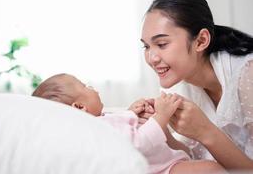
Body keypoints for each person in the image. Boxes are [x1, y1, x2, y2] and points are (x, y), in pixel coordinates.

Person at [140, 0, 253, 172]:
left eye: (161, 44)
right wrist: (165, 134)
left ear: (201, 41)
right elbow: (196, 158)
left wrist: (205, 131)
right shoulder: (177, 85)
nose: (151, 58)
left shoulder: (247, 75)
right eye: (146, 46)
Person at [32, 73, 226, 174]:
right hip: (162, 169)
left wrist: (132, 112)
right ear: (80, 107)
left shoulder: (103, 120)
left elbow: (122, 123)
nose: (91, 87)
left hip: (165, 162)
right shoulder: (100, 130)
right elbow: (138, 143)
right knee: (212, 170)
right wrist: (162, 115)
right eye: (85, 86)